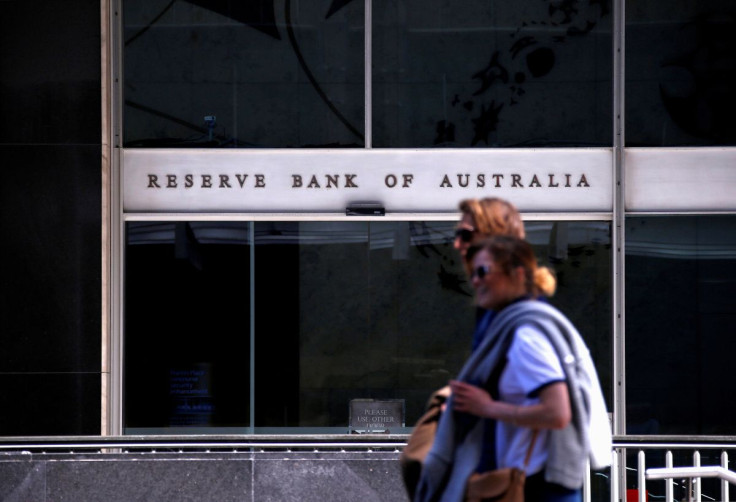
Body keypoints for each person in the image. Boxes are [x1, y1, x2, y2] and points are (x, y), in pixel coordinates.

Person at [414, 236, 611, 502]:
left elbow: (557, 412)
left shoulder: (526, 335)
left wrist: (485, 407)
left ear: (517, 274)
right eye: (473, 273)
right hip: (535, 482)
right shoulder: (525, 324)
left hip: (537, 487)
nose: (475, 281)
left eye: (483, 271)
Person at [453, 198, 526, 351]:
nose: (457, 244)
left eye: (465, 235)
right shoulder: (493, 308)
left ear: (496, 239)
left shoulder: (525, 322)